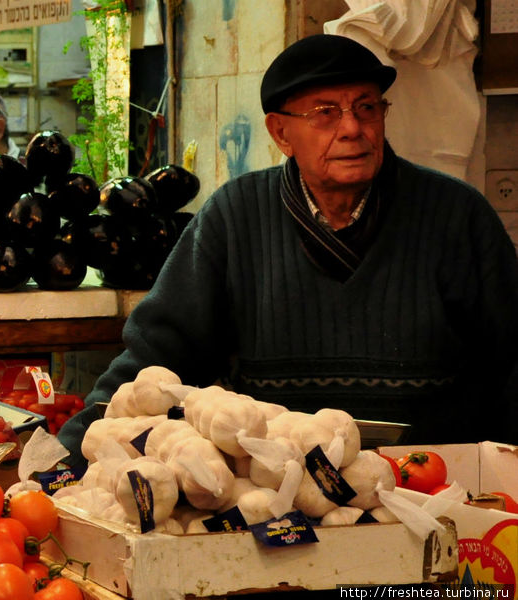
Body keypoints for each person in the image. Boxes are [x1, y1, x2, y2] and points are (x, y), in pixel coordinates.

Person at [57, 33, 518, 465]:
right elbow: (154, 363)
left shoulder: (456, 215)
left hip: (435, 480)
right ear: (280, 134)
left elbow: (511, 369)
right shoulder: (236, 217)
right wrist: (64, 461)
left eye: (367, 108)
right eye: (326, 113)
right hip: (279, 490)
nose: (353, 128)